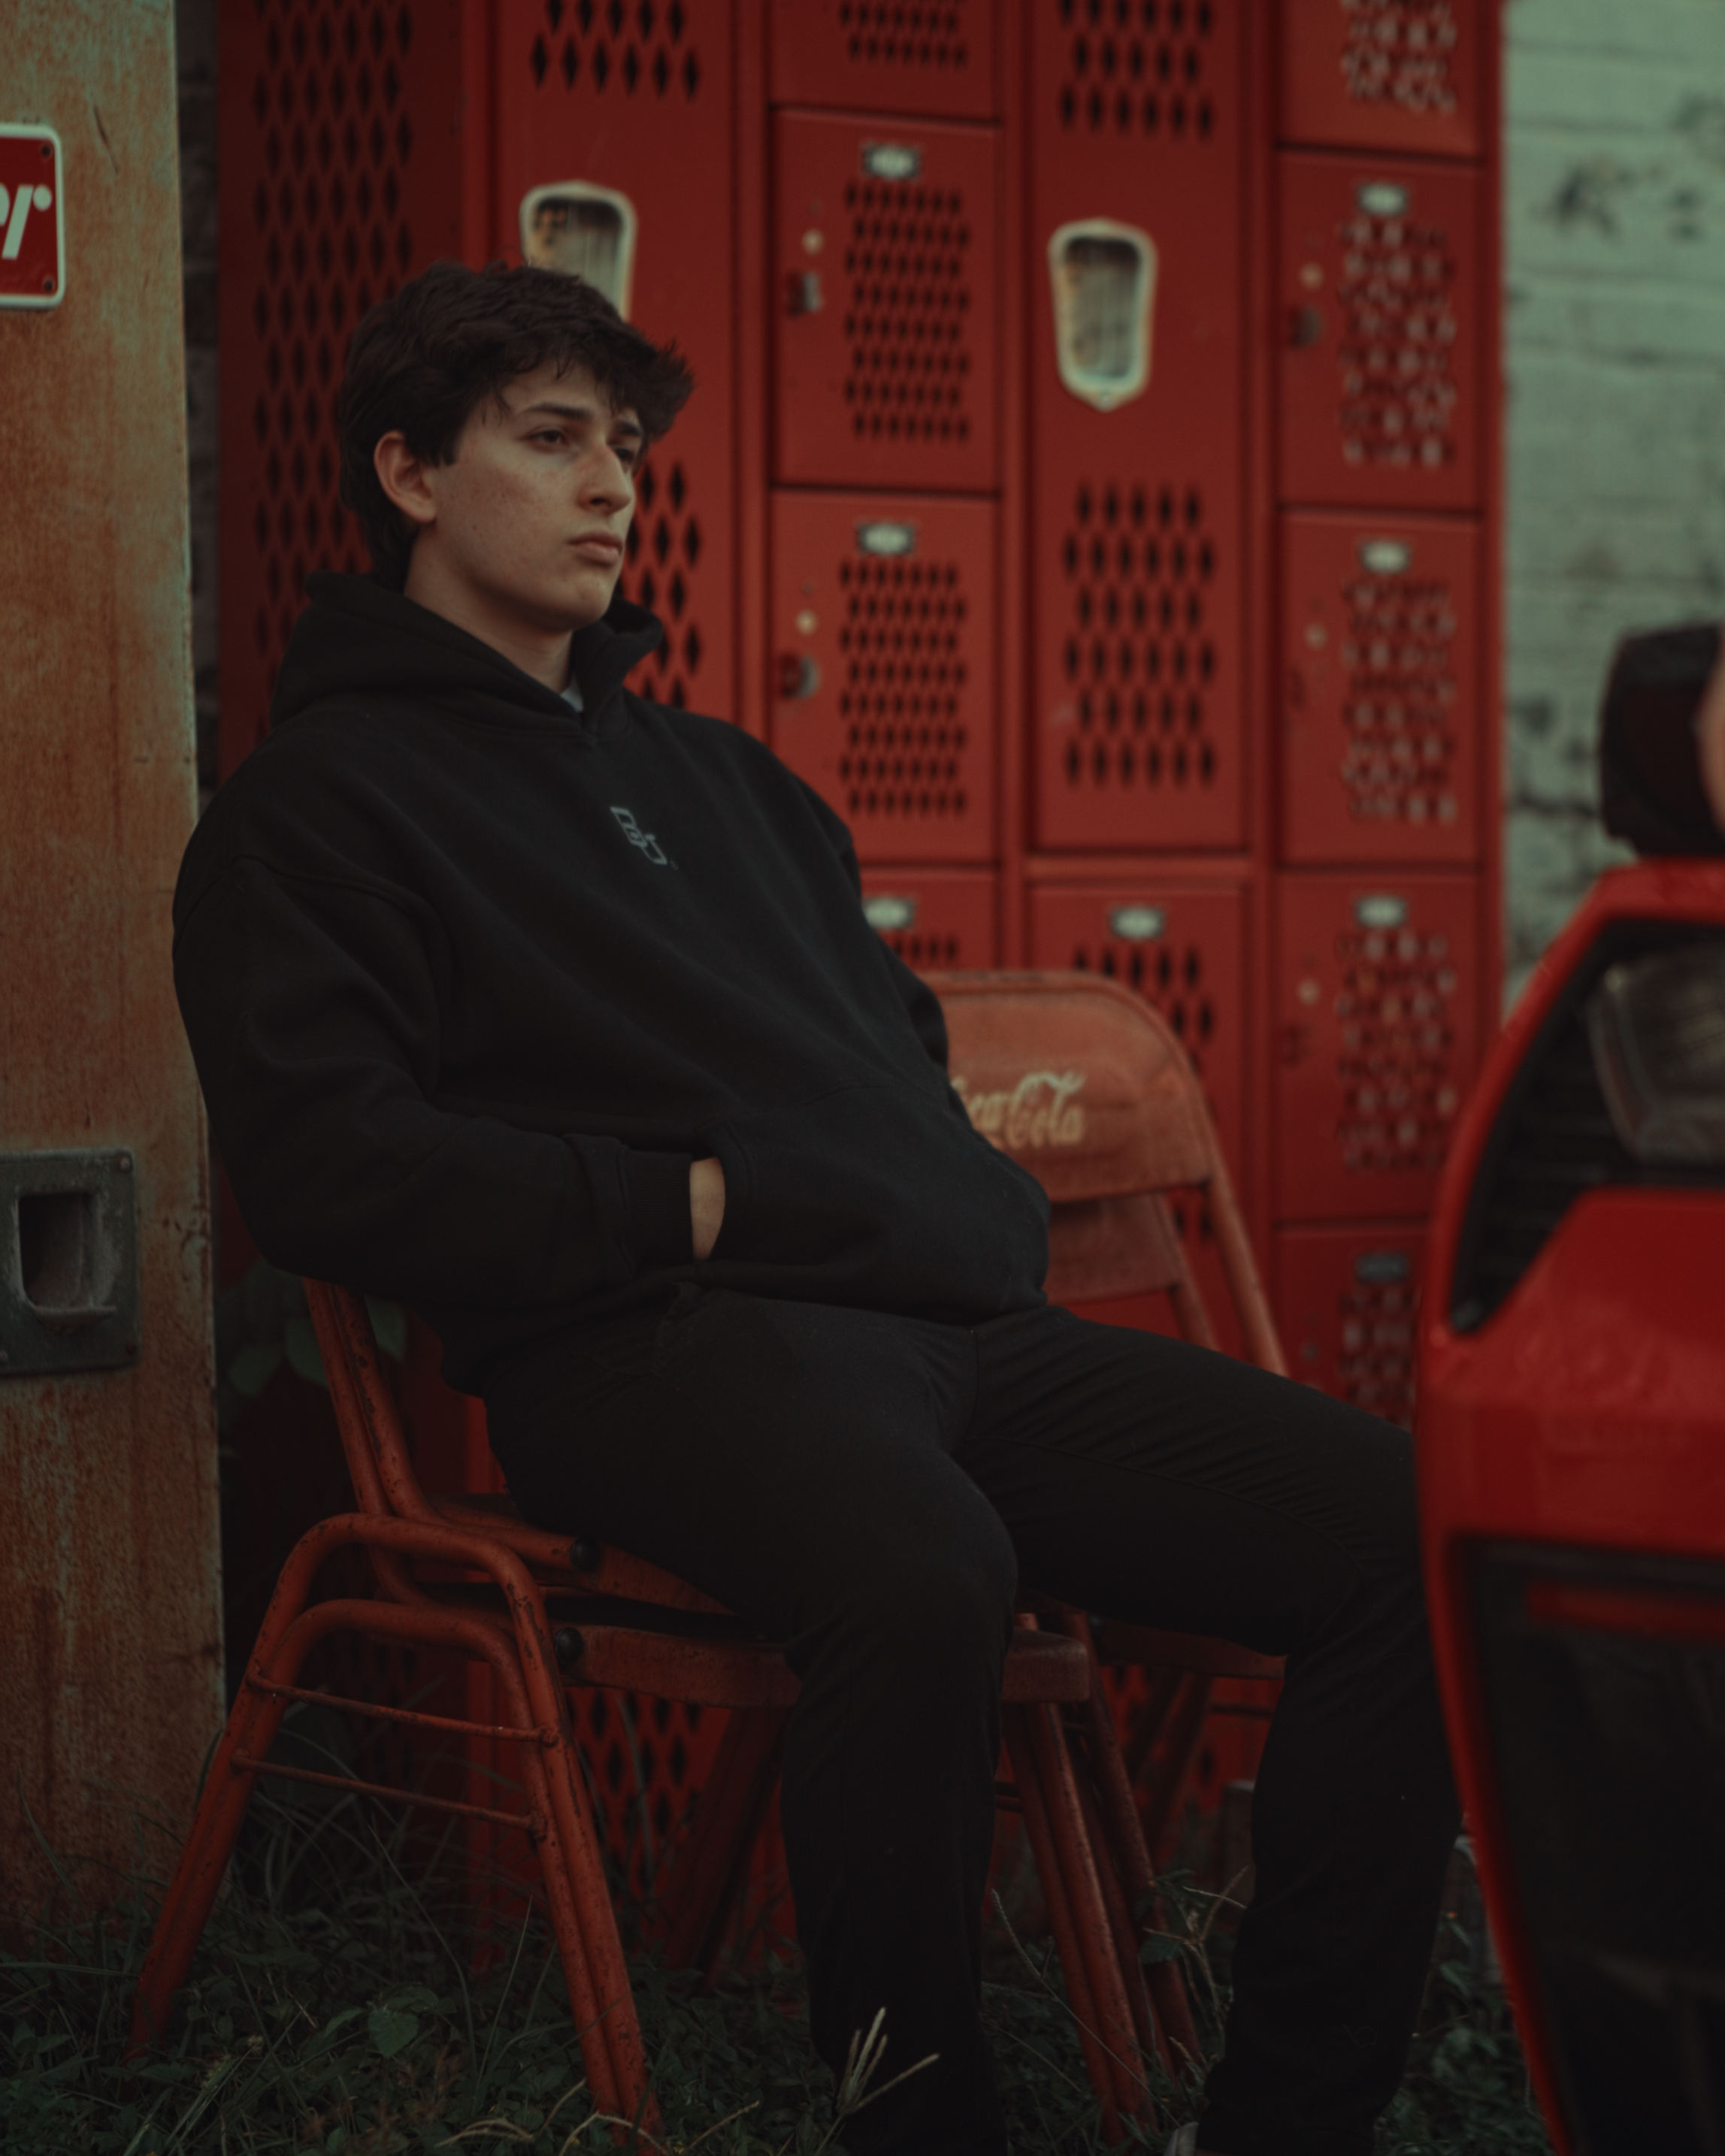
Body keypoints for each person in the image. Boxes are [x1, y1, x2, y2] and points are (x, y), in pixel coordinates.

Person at [173, 261, 1460, 2156]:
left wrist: (918, 1195)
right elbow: (331, 1167)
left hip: (946, 1331)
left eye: (625, 445)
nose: (610, 485)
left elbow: (891, 1057)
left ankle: (1283, 2129)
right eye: (551, 439)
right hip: (650, 1350)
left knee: (1395, 1527)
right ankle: (918, 2129)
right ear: (410, 473)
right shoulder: (312, 813)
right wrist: (687, 1203)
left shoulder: (737, 788)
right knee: (921, 1570)